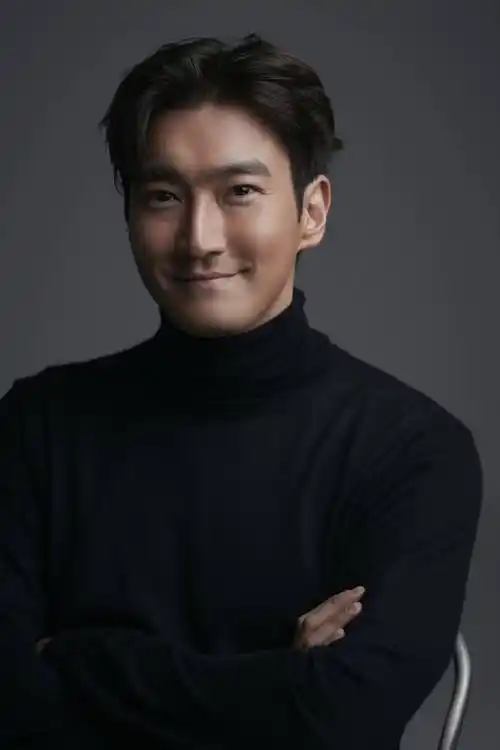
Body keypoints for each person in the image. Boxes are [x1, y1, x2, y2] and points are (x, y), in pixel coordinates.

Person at [0, 33, 482, 749]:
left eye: (240, 192)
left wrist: (79, 659)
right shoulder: (36, 426)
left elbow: (347, 714)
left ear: (312, 212)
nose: (199, 238)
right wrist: (280, 677)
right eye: (164, 196)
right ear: (129, 214)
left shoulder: (414, 450)